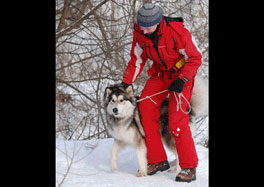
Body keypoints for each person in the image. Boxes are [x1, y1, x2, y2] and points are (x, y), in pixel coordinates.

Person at [121, 3, 202, 182]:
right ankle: (157, 160)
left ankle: (189, 166)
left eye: (149, 27)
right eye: (142, 26)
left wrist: (182, 80)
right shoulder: (140, 33)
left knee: (176, 122)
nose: (145, 30)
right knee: (144, 108)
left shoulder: (177, 33)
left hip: (181, 77)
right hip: (160, 74)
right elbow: (137, 58)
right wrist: (126, 82)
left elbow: (195, 58)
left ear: (158, 22)